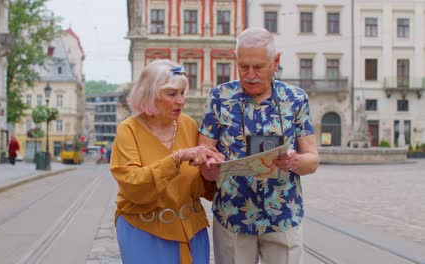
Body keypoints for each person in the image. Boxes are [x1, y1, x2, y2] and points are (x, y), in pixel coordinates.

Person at [198, 27, 320, 264]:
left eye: (258, 67)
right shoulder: (219, 97)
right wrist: (209, 167)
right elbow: (204, 154)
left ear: (276, 62)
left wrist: (295, 161)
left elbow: (312, 159)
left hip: (283, 214)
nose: (250, 74)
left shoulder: (295, 98)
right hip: (233, 216)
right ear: (236, 60)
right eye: (244, 66)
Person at [110, 59, 224, 264]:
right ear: (150, 95)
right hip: (144, 231)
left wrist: (211, 173)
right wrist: (176, 158)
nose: (180, 100)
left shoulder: (189, 125)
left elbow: (202, 188)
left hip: (192, 231)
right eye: (172, 94)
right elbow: (132, 184)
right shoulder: (128, 130)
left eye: (182, 93)